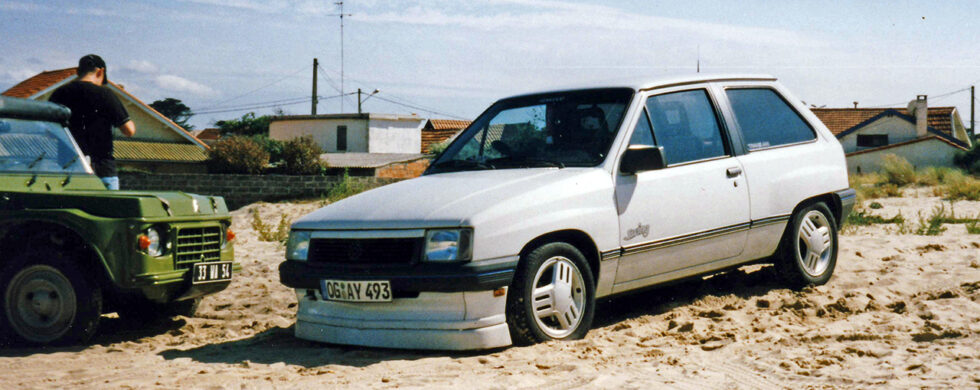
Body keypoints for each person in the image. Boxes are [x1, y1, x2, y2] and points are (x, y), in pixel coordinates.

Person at [49, 54, 135, 190]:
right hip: (102, 169)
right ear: (100, 72)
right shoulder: (106, 94)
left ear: (78, 71)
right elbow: (129, 130)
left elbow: (49, 129)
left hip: (68, 170)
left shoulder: (59, 93)